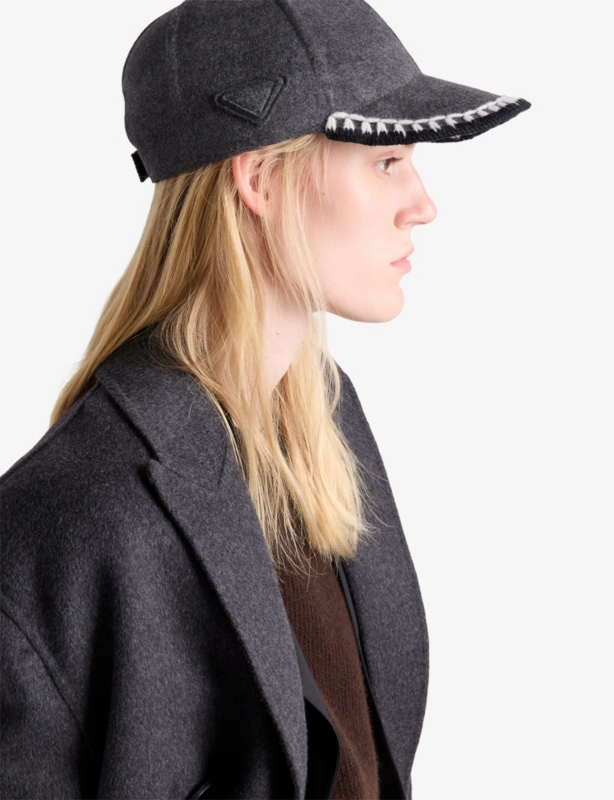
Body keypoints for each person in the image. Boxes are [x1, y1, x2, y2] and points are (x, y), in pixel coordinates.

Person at [0, 0, 529, 798]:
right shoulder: (66, 521)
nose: (423, 203)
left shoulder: (325, 421)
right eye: (387, 161)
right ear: (260, 179)